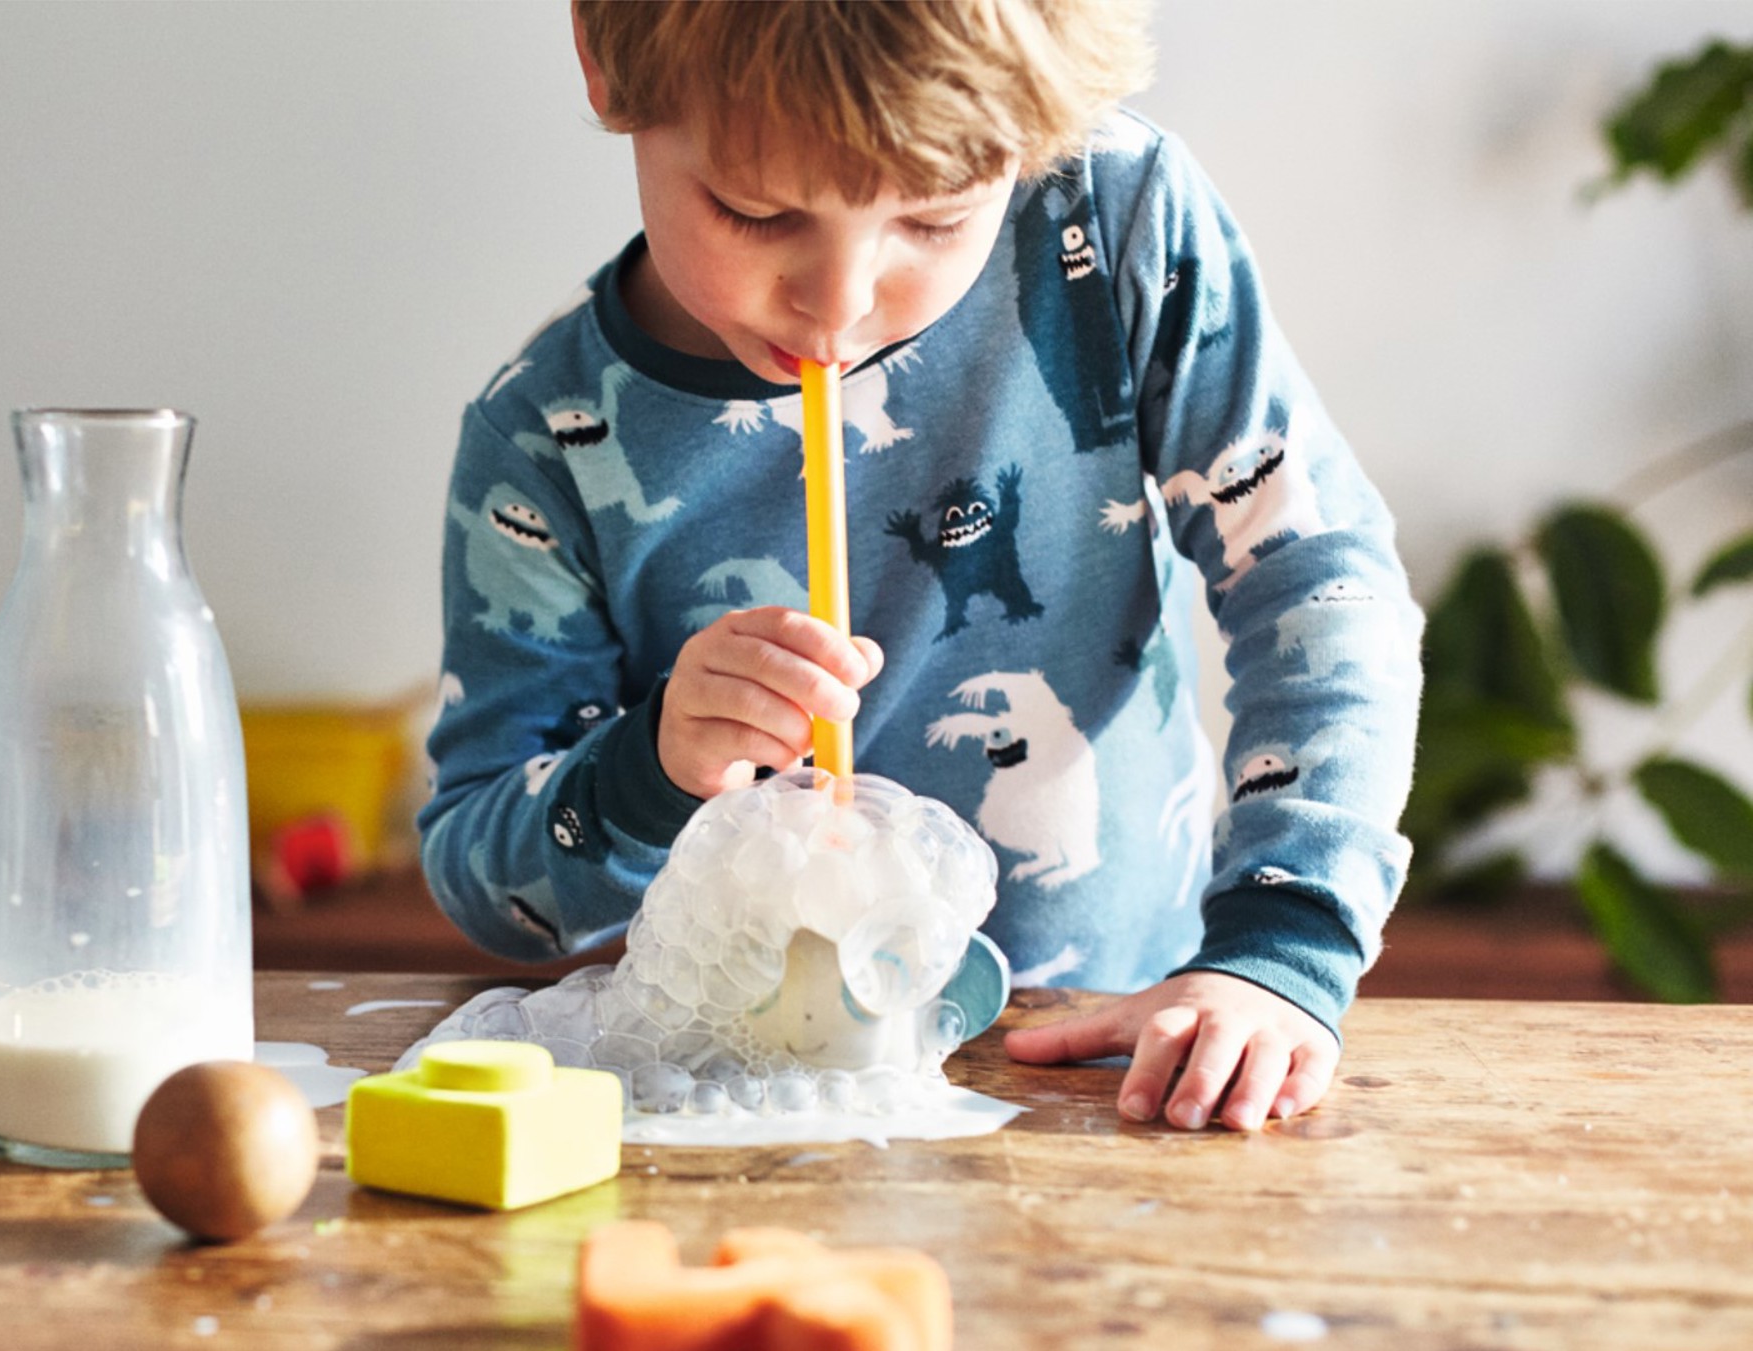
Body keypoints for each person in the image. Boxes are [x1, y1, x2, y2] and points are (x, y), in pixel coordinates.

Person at [419, 0, 1422, 1134]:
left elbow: (1320, 580)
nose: (839, 305)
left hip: (1124, 1067)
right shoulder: (546, 438)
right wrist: (651, 765)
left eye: (937, 220)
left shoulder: (1111, 217)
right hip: (757, 1107)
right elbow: (483, 875)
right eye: (754, 212)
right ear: (605, 63)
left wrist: (1282, 946)